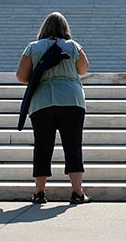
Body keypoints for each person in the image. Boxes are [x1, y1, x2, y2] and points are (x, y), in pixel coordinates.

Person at [17, 12, 90, 206]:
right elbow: (83, 69)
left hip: (42, 101)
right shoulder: (73, 46)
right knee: (73, 145)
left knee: (42, 146)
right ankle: (77, 192)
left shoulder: (33, 47)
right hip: (71, 100)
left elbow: (21, 76)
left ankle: (39, 192)